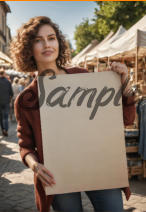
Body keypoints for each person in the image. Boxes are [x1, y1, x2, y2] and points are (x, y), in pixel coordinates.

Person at [10, 16, 135, 212]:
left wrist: (125, 83)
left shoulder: (83, 78)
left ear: (58, 42)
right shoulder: (27, 99)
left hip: (99, 167)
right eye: (38, 40)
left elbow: (126, 119)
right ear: (28, 48)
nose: (46, 44)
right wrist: (35, 165)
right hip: (58, 174)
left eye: (51, 38)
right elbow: (25, 145)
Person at [0, 68, 13, 136]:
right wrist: (9, 100)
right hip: (6, 102)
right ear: (4, 74)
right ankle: (6, 130)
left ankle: (3, 129)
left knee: (1, 117)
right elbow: (11, 93)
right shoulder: (8, 82)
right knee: (5, 117)